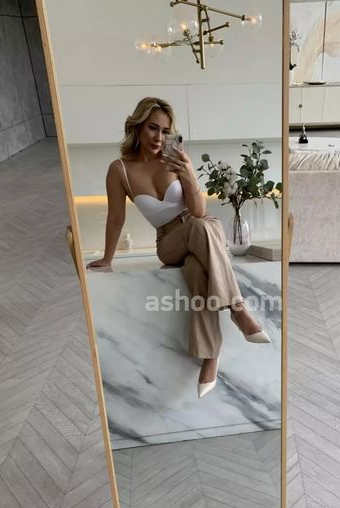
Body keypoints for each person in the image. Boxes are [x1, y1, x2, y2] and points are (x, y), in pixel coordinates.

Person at [87, 97, 270, 398]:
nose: (159, 137)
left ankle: (210, 357)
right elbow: (116, 218)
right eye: (152, 128)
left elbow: (198, 212)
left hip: (202, 227)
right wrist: (107, 258)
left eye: (165, 131)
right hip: (169, 241)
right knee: (200, 230)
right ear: (137, 127)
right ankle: (237, 308)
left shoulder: (175, 160)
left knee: (197, 269)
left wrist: (187, 173)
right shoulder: (119, 170)